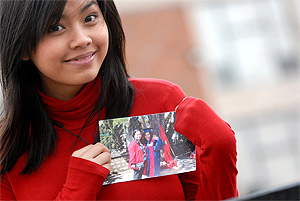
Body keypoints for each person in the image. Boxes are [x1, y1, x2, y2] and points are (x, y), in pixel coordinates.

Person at [0, 0, 238, 200]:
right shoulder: (6, 151)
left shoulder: (160, 102)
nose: (82, 39)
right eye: (55, 27)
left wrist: (220, 149)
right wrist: (76, 192)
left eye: (90, 18)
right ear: (22, 47)